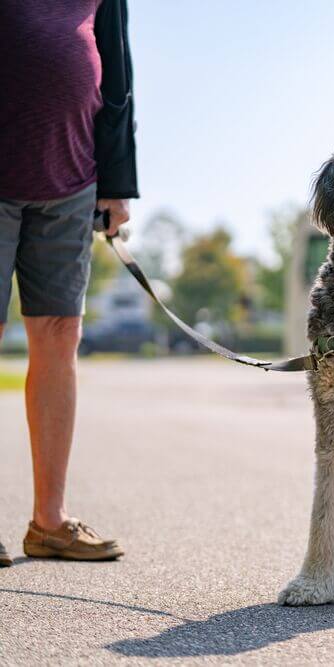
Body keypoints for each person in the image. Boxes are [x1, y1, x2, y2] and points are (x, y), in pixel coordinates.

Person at [0, 0, 138, 566]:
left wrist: (117, 181)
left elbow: (118, 73)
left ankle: (49, 523)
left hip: (71, 177)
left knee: (59, 334)